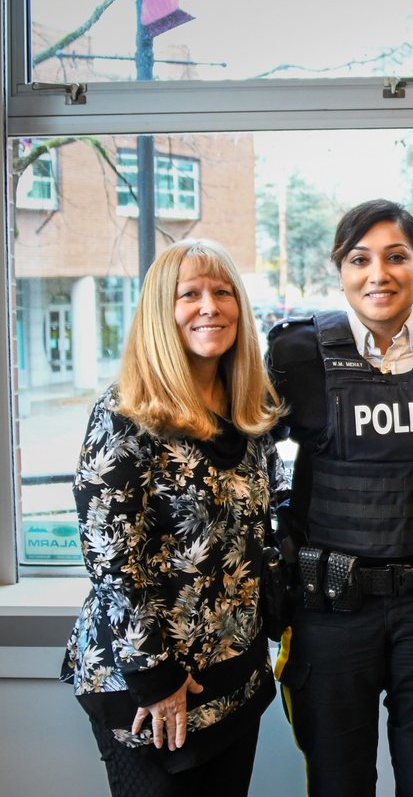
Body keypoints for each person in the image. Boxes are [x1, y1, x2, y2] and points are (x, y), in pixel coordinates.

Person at [267, 198, 413, 796]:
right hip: (332, 608)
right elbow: (247, 454)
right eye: (359, 259)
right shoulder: (298, 355)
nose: (379, 274)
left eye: (397, 257)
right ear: (339, 270)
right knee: (338, 785)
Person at [62, 239, 288, 797]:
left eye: (222, 291)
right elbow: (110, 555)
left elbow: (267, 521)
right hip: (151, 690)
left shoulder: (250, 411)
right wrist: (156, 679)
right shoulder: (125, 414)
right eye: (190, 294)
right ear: (162, 313)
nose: (210, 306)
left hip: (233, 680)